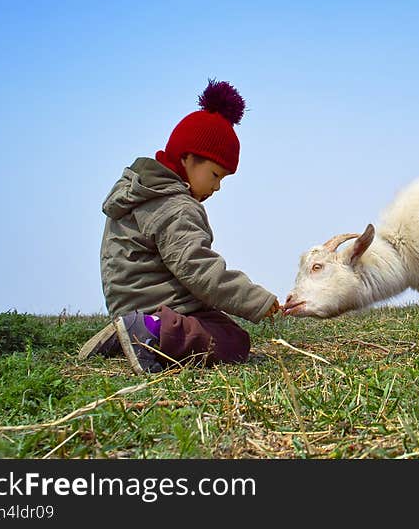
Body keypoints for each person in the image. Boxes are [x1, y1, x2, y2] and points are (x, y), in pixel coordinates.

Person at [78, 79, 282, 374]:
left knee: (220, 327)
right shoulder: (177, 206)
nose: (217, 187)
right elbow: (198, 269)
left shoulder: (142, 193)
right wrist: (256, 300)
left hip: (132, 301)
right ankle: (147, 331)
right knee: (233, 341)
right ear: (187, 158)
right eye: (215, 174)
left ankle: (132, 335)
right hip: (156, 305)